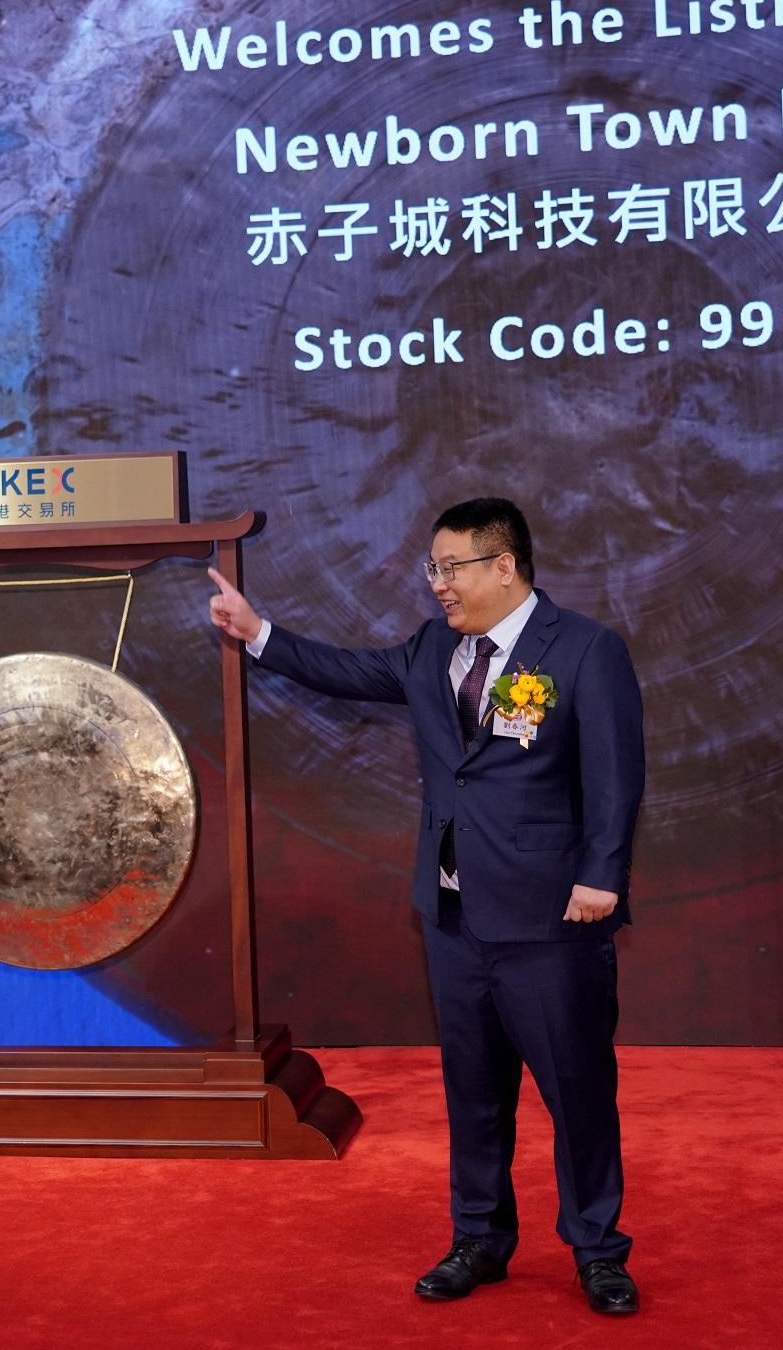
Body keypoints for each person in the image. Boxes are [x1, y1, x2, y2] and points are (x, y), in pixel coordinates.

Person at [206, 497, 645, 1316]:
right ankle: (479, 1238)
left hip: (551, 918)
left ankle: (597, 1251)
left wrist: (602, 876)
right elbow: (349, 671)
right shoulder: (433, 647)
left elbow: (617, 773)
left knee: (577, 1092)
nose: (438, 584)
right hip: (451, 917)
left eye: (451, 568)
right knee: (473, 1092)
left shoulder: (586, 649)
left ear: (504, 566)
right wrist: (257, 632)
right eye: (432, 569)